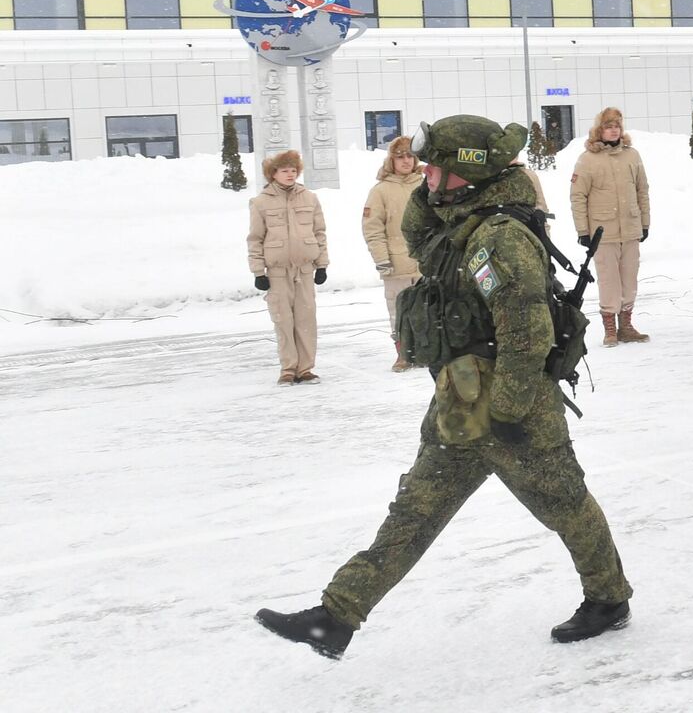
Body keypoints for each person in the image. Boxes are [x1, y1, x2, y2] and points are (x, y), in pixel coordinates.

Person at [254, 116, 631, 658]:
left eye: (436, 168)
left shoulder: (496, 238)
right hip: (463, 395)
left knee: (566, 504)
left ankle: (609, 597)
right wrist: (435, 191)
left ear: (466, 174)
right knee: (417, 506)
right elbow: (415, 236)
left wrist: (506, 411)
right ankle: (336, 615)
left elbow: (526, 333)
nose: (425, 174)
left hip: (513, 405)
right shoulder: (458, 221)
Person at [569, 107, 651, 347]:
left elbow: (642, 191)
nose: (614, 130)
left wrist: (645, 222)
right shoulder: (587, 160)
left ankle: (626, 326)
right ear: (599, 130)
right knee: (608, 280)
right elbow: (578, 197)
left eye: (617, 126)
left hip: (631, 227)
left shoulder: (632, 156)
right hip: (602, 231)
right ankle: (610, 330)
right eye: (608, 126)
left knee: (629, 278)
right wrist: (583, 231)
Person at [248, 150, 328, 385]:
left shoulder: (309, 198)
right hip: (277, 272)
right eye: (285, 170)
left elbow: (319, 233)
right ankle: (288, 368)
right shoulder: (261, 202)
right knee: (283, 320)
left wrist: (321, 265)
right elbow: (255, 238)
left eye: (294, 170)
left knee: (306, 319)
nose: (290, 175)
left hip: (304, 270)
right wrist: (258, 271)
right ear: (273, 174)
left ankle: (305, 368)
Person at [362, 135, 424, 372]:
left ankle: (423, 352)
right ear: (392, 160)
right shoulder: (381, 190)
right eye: (400, 157)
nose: (406, 161)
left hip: (425, 261)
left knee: (425, 310)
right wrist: (381, 259)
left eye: (410, 155)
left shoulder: (425, 184)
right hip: (396, 264)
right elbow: (372, 227)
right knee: (398, 312)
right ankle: (403, 354)